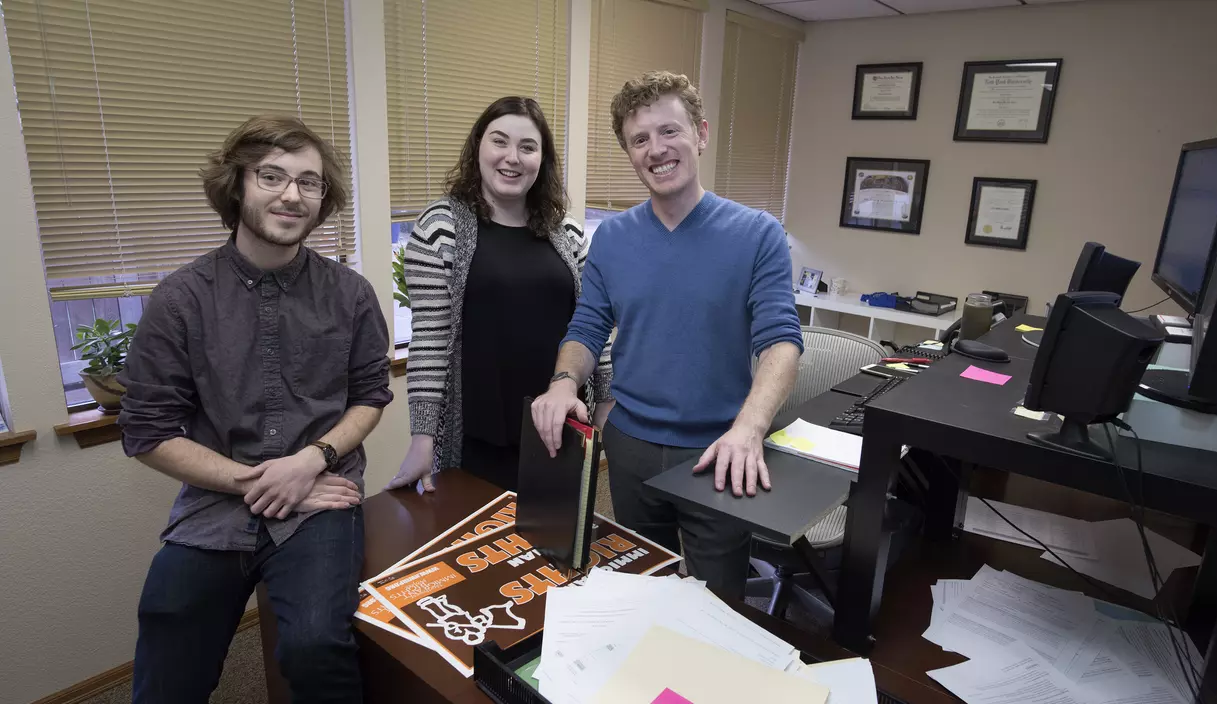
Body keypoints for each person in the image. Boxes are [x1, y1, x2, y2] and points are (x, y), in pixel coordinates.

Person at [118, 116, 393, 703]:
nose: (292, 194)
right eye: (272, 175)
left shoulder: (350, 295)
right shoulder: (180, 300)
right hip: (217, 501)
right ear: (237, 185)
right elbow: (147, 430)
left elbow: (370, 395)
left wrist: (312, 461)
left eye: (309, 182)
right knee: (168, 636)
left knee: (316, 647)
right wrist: (266, 480)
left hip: (323, 496)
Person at [531, 71, 803, 597]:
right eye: (640, 139)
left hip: (718, 453)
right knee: (640, 592)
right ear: (629, 152)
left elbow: (781, 342)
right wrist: (564, 382)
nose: (657, 150)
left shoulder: (757, 234)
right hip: (629, 451)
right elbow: (588, 326)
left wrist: (749, 429)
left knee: (716, 608)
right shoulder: (612, 237)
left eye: (669, 132)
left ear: (700, 134)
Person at [388, 96, 613, 494]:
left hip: (560, 426)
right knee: (480, 550)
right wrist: (422, 439)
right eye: (500, 141)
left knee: (556, 548)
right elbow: (430, 342)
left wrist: (605, 410)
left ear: (542, 160)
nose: (513, 157)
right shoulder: (440, 227)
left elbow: (594, 327)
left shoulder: (569, 234)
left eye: (528, 147)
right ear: (478, 146)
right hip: (477, 435)